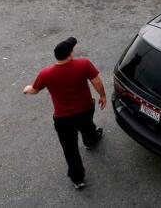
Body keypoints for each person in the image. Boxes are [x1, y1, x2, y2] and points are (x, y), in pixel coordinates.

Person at [23, 37, 107, 190]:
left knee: (70, 149)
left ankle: (78, 179)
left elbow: (34, 90)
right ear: (70, 55)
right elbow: (97, 82)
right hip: (85, 110)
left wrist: (27, 88)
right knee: (88, 126)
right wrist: (102, 96)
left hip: (63, 119)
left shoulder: (46, 73)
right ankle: (91, 141)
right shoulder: (84, 64)